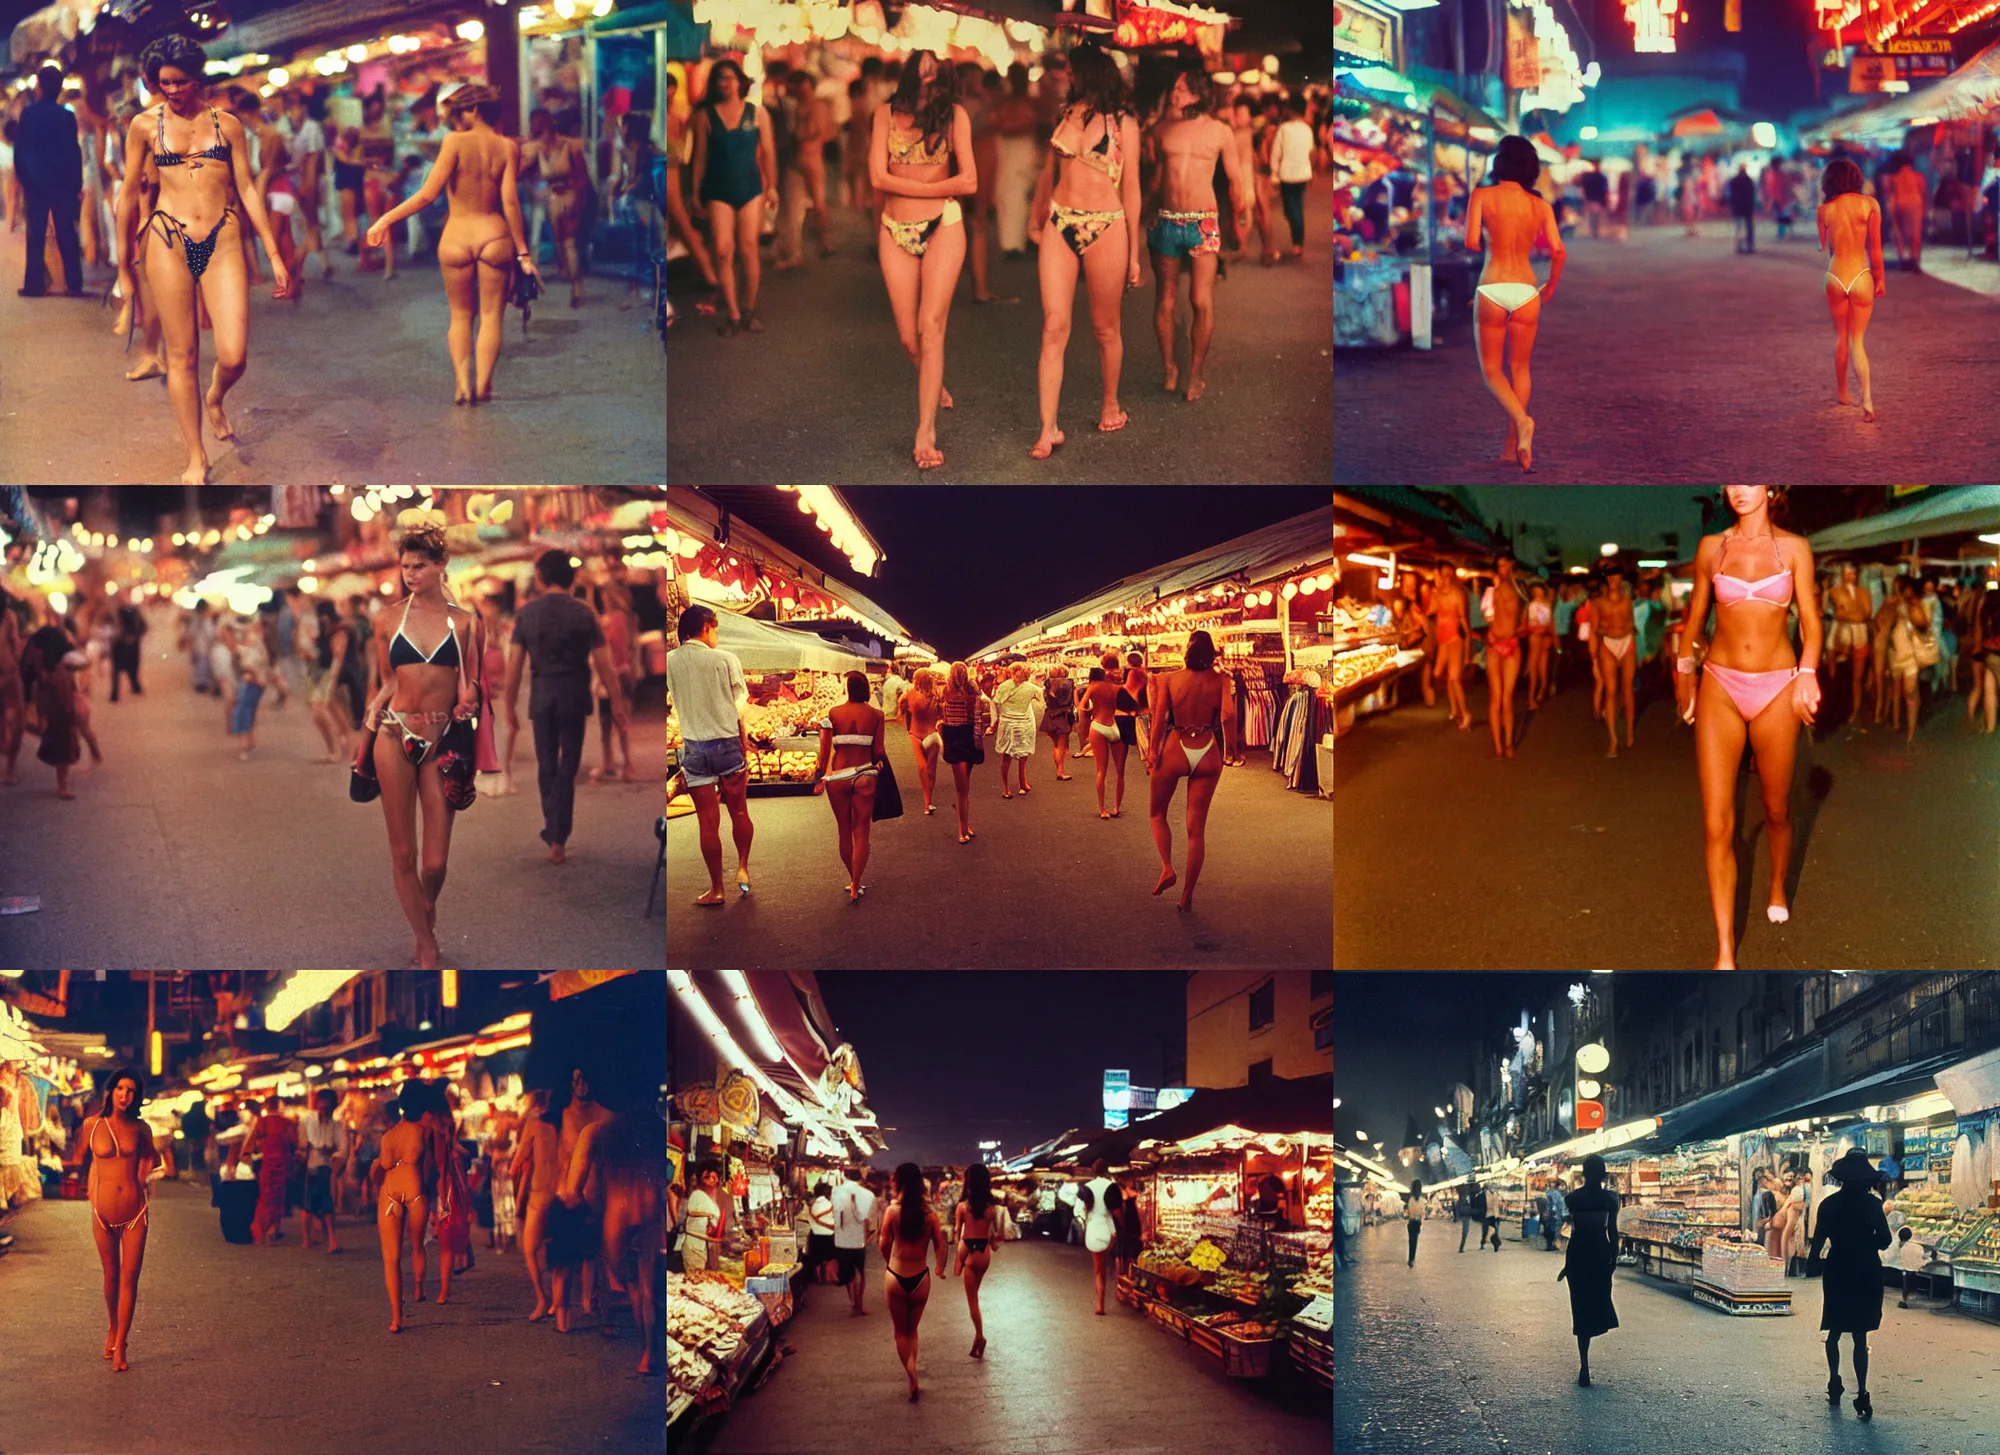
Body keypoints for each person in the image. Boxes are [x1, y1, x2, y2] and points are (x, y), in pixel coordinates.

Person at [113, 36, 290, 487]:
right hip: (166, 238)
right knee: (182, 355)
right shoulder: (142, 126)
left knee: (233, 354)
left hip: (222, 237)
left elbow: (247, 187)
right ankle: (197, 456)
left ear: (198, 77)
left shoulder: (226, 125)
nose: (171, 90)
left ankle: (216, 397)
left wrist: (273, 253)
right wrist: (122, 268)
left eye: (180, 82)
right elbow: (129, 193)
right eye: (163, 83)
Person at [1674, 486, 1821, 969]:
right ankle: (1723, 953)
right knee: (1718, 825)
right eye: (1731, 480)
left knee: (1776, 810)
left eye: (1751, 478)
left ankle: (1778, 884)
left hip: (1778, 686)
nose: (1739, 489)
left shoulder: (1796, 548)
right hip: (1719, 682)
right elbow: (1695, 616)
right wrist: (1684, 670)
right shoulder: (1711, 548)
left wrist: (1808, 673)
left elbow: (1812, 624)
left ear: (1772, 487)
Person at [360, 518, 483, 970]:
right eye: (405, 567)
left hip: (440, 743)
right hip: (394, 736)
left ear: (441, 566)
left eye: (420, 566)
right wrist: (373, 711)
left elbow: (472, 683)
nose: (410, 574)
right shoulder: (387, 619)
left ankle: (426, 906)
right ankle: (424, 941)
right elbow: (387, 680)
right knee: (404, 852)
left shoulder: (467, 623)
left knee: (434, 862)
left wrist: (469, 701)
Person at [366, 86, 537, 404]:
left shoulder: (454, 142)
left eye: (459, 113)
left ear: (473, 111)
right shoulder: (507, 147)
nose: (455, 121)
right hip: (493, 235)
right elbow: (510, 202)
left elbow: (427, 195)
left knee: (460, 316)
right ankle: (484, 384)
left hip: (457, 237)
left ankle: (462, 384)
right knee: (491, 316)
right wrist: (523, 251)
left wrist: (385, 219)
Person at [1027, 43, 1143, 458]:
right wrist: (1035, 213)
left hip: (1106, 225)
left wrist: (1132, 254)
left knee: (1103, 327)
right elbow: (1049, 170)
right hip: (1061, 220)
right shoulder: (1065, 114)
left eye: (1070, 69)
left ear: (1088, 73)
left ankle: (1110, 402)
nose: (1064, 75)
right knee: (1054, 326)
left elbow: (1131, 190)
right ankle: (1047, 428)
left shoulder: (1124, 123)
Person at [868, 51, 975, 472]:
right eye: (923, 71)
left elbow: (970, 181)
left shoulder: (955, 117)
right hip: (894, 228)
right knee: (910, 339)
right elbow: (876, 178)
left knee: (931, 328)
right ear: (910, 75)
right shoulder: (885, 114)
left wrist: (907, 186)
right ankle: (936, 381)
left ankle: (925, 429)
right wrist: (931, 186)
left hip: (944, 226)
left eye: (936, 73)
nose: (929, 79)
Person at [505, 549, 629, 869]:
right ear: (573, 579)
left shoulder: (526, 614)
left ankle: (555, 834)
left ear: (541, 578)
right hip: (574, 695)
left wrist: (508, 706)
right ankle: (560, 836)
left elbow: (514, 665)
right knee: (568, 766)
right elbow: (604, 664)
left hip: (543, 696)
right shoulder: (584, 613)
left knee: (547, 764)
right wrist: (616, 699)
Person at [1144, 67, 1250, 403]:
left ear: (1199, 94)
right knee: (1166, 300)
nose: (1174, 94)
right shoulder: (1163, 130)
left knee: (1200, 300)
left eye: (1180, 89)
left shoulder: (1220, 132)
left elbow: (1234, 178)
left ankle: (1196, 373)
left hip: (1203, 223)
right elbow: (1159, 179)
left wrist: (1240, 214)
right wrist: (1144, 209)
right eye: (1174, 88)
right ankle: (1170, 368)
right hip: (1167, 221)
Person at [1465, 135, 1565, 471]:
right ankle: (1511, 447)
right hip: (1526, 290)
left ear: (1499, 163)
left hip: (1491, 286)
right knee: (1520, 368)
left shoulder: (1482, 195)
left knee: (1492, 370)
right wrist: (1550, 284)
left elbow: (1470, 242)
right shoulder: (1541, 206)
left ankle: (1523, 422)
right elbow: (1558, 250)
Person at [662, 600, 753, 898]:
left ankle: (716, 889)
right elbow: (741, 705)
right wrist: (741, 738)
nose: (717, 636)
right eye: (715, 629)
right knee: (739, 811)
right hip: (727, 743)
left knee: (707, 824)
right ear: (705, 628)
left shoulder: (669, 661)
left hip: (694, 748)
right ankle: (742, 867)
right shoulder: (725, 659)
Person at [1143, 629, 1234, 909]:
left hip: (1176, 746)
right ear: (1212, 653)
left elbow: (1159, 720)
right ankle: (1186, 897)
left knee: (1157, 813)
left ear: (1187, 650)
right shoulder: (1222, 680)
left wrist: (1152, 751)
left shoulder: (1167, 679)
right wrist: (1232, 750)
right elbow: (1228, 715)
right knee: (1196, 830)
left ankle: (1167, 867)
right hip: (1207, 748)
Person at [690, 60, 776, 334]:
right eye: (720, 79)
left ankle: (750, 309)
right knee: (724, 251)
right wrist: (695, 191)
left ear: (740, 81)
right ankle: (734, 315)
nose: (725, 84)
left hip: (750, 189)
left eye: (730, 78)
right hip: (718, 191)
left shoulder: (758, 113)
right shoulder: (705, 116)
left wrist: (772, 186)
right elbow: (700, 157)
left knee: (749, 249)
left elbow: (769, 153)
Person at [84, 1069, 162, 1371]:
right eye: (119, 1088)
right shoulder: (92, 1125)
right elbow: (93, 1160)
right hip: (102, 1214)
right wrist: (93, 1192)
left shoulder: (141, 1129)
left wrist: (140, 1180)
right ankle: (112, 1327)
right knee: (111, 1276)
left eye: (130, 1090)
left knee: (129, 1278)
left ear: (136, 1096)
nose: (124, 1095)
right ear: (110, 1091)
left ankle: (122, 1346)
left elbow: (152, 1157)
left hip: (135, 1213)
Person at [1810, 1148, 1891, 1421]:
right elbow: (1885, 1240)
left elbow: (1819, 1239)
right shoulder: (1872, 1204)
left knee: (1833, 1330)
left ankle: (1834, 1381)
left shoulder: (1829, 1204)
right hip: (1866, 1269)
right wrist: (1868, 1242)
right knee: (1859, 1335)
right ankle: (1863, 1393)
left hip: (1838, 1268)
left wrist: (1812, 1265)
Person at [1817, 157, 1885, 423]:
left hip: (1835, 275)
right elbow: (1876, 249)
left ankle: (1843, 392)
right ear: (1857, 178)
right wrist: (1880, 279)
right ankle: (1867, 400)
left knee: (1840, 337)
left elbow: (1824, 247)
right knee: (1858, 341)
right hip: (1861, 274)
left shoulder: (1825, 210)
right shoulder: (1870, 205)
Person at [811, 670, 887, 904]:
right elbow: (879, 751)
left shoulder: (833, 714)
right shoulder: (877, 715)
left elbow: (824, 753)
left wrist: (820, 776)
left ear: (847, 688)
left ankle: (853, 879)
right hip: (865, 774)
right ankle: (855, 885)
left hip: (839, 777)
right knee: (861, 831)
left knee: (844, 830)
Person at [879, 1162, 949, 1400]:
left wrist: (888, 1261)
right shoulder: (930, 1215)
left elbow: (882, 1243)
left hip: (895, 1276)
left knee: (900, 1332)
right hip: (921, 1278)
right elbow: (941, 1245)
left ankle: (911, 1375)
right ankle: (913, 1368)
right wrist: (940, 1268)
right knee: (913, 1330)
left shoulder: (892, 1211)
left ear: (898, 1182)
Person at [14, 66, 85, 297]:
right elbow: (74, 152)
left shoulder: (28, 114)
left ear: (40, 86)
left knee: (35, 235)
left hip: (35, 183)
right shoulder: (66, 115)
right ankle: (74, 283)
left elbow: (21, 150)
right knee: (67, 233)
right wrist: (76, 184)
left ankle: (34, 284)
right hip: (63, 183)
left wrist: (24, 177)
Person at [370, 1081, 435, 1333]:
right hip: (415, 1190)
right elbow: (432, 1163)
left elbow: (380, 1169)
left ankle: (397, 1317)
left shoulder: (388, 1137)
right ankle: (418, 1287)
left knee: (391, 1258)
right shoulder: (424, 1131)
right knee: (417, 1244)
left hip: (390, 1194)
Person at [1560, 1154, 1620, 1386]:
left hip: (1577, 1255)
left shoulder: (1574, 1199)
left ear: (1584, 1174)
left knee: (1580, 1310)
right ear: (1603, 1174)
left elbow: (1573, 1233)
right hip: (1599, 1253)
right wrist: (1613, 1258)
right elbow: (1612, 1232)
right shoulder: (1610, 1199)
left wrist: (1567, 1266)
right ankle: (1585, 1362)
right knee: (1596, 1304)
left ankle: (1584, 1363)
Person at [938, 661, 991, 844]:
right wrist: (978, 741)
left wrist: (943, 736)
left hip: (953, 736)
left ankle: (963, 824)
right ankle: (962, 827)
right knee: (964, 787)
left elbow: (942, 718)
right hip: (967, 735)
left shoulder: (945, 692)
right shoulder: (972, 691)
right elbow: (977, 719)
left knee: (962, 787)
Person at [954, 1161, 1000, 1358]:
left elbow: (957, 1233)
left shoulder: (963, 1207)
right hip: (984, 1254)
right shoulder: (992, 1208)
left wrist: (959, 1255)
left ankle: (980, 1336)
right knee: (975, 1296)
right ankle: (976, 1342)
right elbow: (994, 1237)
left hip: (970, 1250)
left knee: (972, 1300)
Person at [1484, 557, 1527, 758]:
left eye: (1506, 564)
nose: (1503, 568)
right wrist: (1489, 632)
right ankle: (1498, 744)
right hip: (1494, 643)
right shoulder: (1493, 588)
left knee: (1507, 697)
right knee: (1496, 696)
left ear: (1512, 565)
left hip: (1512, 643)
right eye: (1499, 565)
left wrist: (1521, 631)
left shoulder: (1520, 587)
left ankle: (1509, 743)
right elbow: (1488, 615)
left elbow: (1525, 616)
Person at [296, 1087, 347, 1255]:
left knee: (326, 1205)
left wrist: (333, 1153)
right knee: (308, 1205)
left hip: (325, 1168)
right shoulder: (308, 1119)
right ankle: (307, 1240)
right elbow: (305, 1142)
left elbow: (342, 1147)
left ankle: (331, 1240)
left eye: (327, 1103)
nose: (323, 1106)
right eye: (321, 1102)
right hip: (310, 1167)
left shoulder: (336, 1124)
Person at [1595, 573, 1638, 758]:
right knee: (1611, 690)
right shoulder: (1598, 602)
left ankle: (1629, 731)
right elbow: (1594, 629)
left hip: (1626, 643)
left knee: (1627, 689)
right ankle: (1613, 739)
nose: (1613, 580)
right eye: (1610, 577)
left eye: (1616, 576)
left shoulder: (1628, 599)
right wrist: (1594, 656)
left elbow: (1632, 623)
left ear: (1621, 579)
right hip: (1608, 644)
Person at [1269, 92, 1314, 259]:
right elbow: (1312, 152)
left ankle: (1297, 243)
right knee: (1297, 207)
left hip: (1287, 175)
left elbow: (1276, 152)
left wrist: (1274, 173)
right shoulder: (1307, 129)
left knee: (1290, 209)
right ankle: (1298, 242)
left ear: (1291, 110)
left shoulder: (1284, 129)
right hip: (1302, 174)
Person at [895, 666, 944, 815]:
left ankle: (927, 802)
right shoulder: (937, 695)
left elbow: (900, 713)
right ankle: (927, 802)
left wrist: (903, 726)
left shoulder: (908, 695)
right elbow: (943, 716)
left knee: (923, 768)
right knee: (930, 770)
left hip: (915, 735)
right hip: (932, 736)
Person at [1827, 563, 1873, 719]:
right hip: (1840, 636)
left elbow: (1865, 614)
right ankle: (1836, 706)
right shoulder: (1835, 591)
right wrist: (1850, 613)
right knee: (1836, 669)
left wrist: (1846, 612)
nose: (1850, 577)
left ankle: (1855, 710)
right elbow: (1838, 612)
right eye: (1847, 573)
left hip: (1860, 636)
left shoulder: (1864, 592)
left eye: (1853, 573)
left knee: (1857, 677)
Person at [832, 1165, 878, 1315]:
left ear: (845, 1175)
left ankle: (853, 1303)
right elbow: (871, 1221)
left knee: (848, 1273)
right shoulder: (868, 1195)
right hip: (859, 1239)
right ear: (860, 1177)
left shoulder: (836, 1192)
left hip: (842, 1238)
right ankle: (860, 1304)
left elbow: (835, 1216)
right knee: (860, 1273)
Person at [991, 662, 1041, 797]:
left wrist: (995, 721)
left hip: (1007, 723)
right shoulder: (1032, 688)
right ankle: (1023, 783)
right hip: (1024, 722)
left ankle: (1005, 788)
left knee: (1006, 756)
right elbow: (1042, 702)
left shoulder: (1003, 686)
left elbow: (996, 703)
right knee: (1023, 755)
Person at [1078, 1158, 1121, 1313]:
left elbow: (1087, 1210)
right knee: (1104, 1266)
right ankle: (1104, 1300)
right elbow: (1116, 1211)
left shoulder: (1087, 1187)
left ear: (1093, 1170)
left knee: (1098, 1270)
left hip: (1094, 1230)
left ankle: (1100, 1305)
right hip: (1109, 1230)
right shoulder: (1112, 1186)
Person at [1885, 150, 1927, 272]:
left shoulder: (1894, 177)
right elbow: (1923, 193)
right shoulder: (1918, 176)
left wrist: (1890, 213)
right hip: (1914, 204)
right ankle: (1914, 260)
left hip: (1898, 203)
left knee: (1899, 233)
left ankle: (1902, 259)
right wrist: (1924, 209)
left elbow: (1889, 193)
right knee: (1915, 234)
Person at [1039, 664, 1078, 779]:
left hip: (1049, 716)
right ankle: (1060, 772)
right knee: (1060, 746)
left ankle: (1059, 769)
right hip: (1062, 717)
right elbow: (1075, 702)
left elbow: (1046, 700)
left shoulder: (1047, 686)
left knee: (1056, 745)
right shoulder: (1069, 684)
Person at [1524, 580, 1555, 709]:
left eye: (1540, 590)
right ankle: (1531, 698)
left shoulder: (1548, 605)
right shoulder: (1530, 606)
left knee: (1543, 666)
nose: (1538, 593)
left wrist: (1552, 637)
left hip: (1545, 636)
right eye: (1535, 591)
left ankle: (1542, 691)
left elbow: (1551, 623)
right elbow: (1527, 623)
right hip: (1535, 636)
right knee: (1534, 666)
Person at [806, 1179, 838, 1285]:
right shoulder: (830, 1205)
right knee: (829, 1258)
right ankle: (829, 1278)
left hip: (815, 1236)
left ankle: (819, 1278)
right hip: (828, 1237)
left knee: (817, 1259)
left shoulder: (811, 1206)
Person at [178, 1097, 209, 1185]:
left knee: (191, 1155)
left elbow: (183, 1126)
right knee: (200, 1155)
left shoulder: (186, 1116)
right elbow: (206, 1127)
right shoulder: (203, 1116)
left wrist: (187, 1136)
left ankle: (192, 1172)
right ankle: (201, 1173)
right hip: (201, 1138)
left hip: (189, 1138)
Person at [1728, 163, 1757, 254]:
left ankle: (1739, 246)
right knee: (1747, 227)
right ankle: (1749, 246)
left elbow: (1731, 195)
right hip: (1746, 207)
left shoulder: (1734, 181)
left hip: (1739, 207)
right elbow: (1752, 195)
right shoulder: (1748, 180)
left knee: (1738, 227)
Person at [1543, 1176, 1567, 1252]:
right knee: (1551, 1228)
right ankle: (1551, 1244)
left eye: (1553, 1182)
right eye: (1550, 1182)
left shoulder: (1555, 1193)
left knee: (1554, 1229)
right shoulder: (1551, 1193)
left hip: (1555, 1213)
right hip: (1552, 1212)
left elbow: (1557, 1204)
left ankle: (1552, 1244)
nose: (1551, 1184)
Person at [1404, 1179, 1424, 1267]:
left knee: (1411, 1240)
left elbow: (1411, 1211)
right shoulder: (1421, 1200)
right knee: (1414, 1241)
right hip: (1416, 1222)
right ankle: (1412, 1258)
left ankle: (1411, 1258)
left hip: (1412, 1222)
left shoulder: (1411, 1199)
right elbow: (1421, 1212)